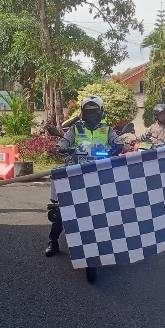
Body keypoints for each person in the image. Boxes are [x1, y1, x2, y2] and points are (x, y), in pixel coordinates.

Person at [45, 95, 120, 256]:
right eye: (88, 111)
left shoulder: (107, 129)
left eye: (95, 111)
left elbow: (117, 141)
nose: (92, 114)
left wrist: (120, 145)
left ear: (101, 112)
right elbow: (64, 141)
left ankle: (115, 239)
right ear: (83, 112)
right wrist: (61, 147)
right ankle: (53, 240)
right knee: (63, 207)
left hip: (101, 173)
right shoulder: (76, 128)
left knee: (115, 204)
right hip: (77, 173)